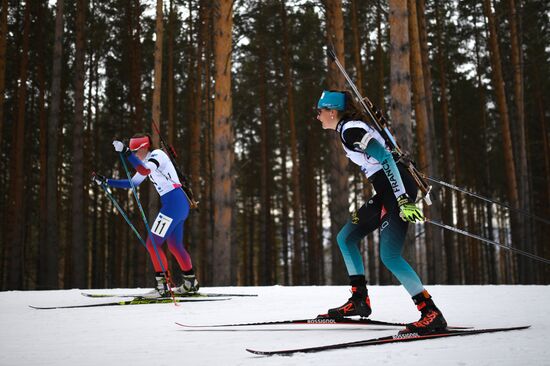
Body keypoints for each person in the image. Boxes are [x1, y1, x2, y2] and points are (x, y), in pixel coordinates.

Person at [316, 90, 447, 334]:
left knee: (390, 256)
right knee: (346, 237)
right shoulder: (350, 127)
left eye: (320, 111)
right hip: (388, 192)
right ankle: (359, 301)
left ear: (332, 112)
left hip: (396, 190)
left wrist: (402, 199)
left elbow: (385, 157)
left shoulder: (351, 131)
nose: (318, 116)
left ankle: (431, 313)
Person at [92, 133, 199, 297]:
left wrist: (126, 152)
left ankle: (162, 287)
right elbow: (132, 183)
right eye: (133, 153)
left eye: (136, 152)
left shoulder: (157, 155)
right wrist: (107, 181)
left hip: (174, 203)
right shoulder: (147, 162)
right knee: (174, 245)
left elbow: (144, 169)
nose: (135, 156)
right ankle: (190, 283)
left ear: (143, 148)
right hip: (177, 204)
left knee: (153, 243)